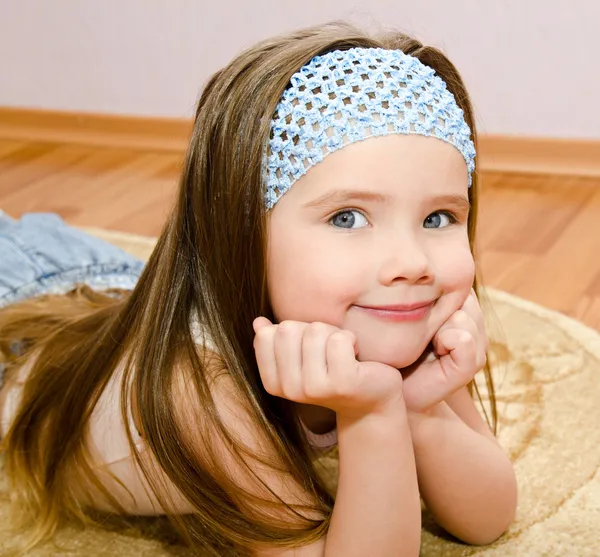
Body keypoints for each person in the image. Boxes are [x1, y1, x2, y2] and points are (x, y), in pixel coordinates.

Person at [0, 21, 517, 557]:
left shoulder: (403, 319)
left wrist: (419, 407)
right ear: (241, 231)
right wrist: (373, 414)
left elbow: (488, 518)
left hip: (100, 288)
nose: (412, 263)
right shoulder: (204, 394)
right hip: (18, 330)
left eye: (438, 218)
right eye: (346, 217)